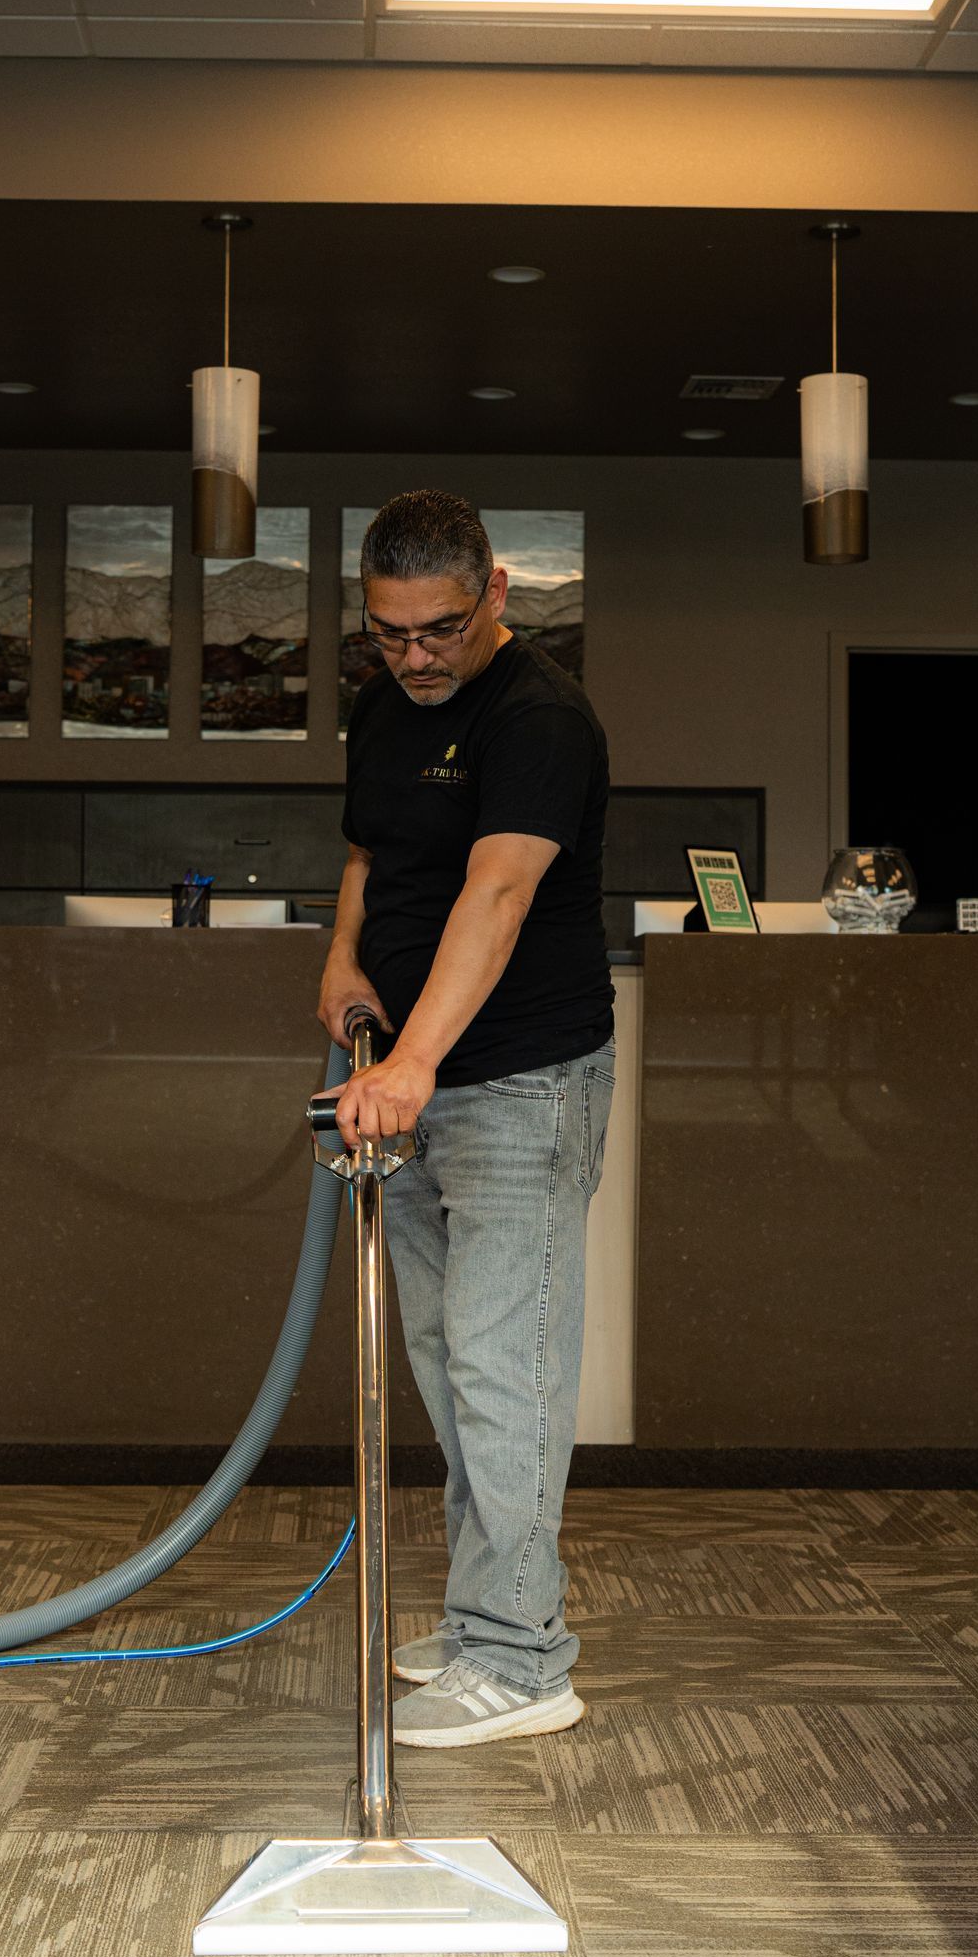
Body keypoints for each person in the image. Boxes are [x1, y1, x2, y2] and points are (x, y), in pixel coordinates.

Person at [318, 489, 614, 1748]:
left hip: (517, 1079)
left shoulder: (543, 716)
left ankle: (525, 1658)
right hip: (418, 1077)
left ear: (495, 590)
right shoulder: (385, 703)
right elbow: (374, 854)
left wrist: (416, 1062)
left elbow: (496, 894)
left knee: (508, 1366)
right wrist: (340, 959)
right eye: (391, 633)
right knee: (446, 1361)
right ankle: (493, 1607)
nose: (416, 657)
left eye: (438, 629)